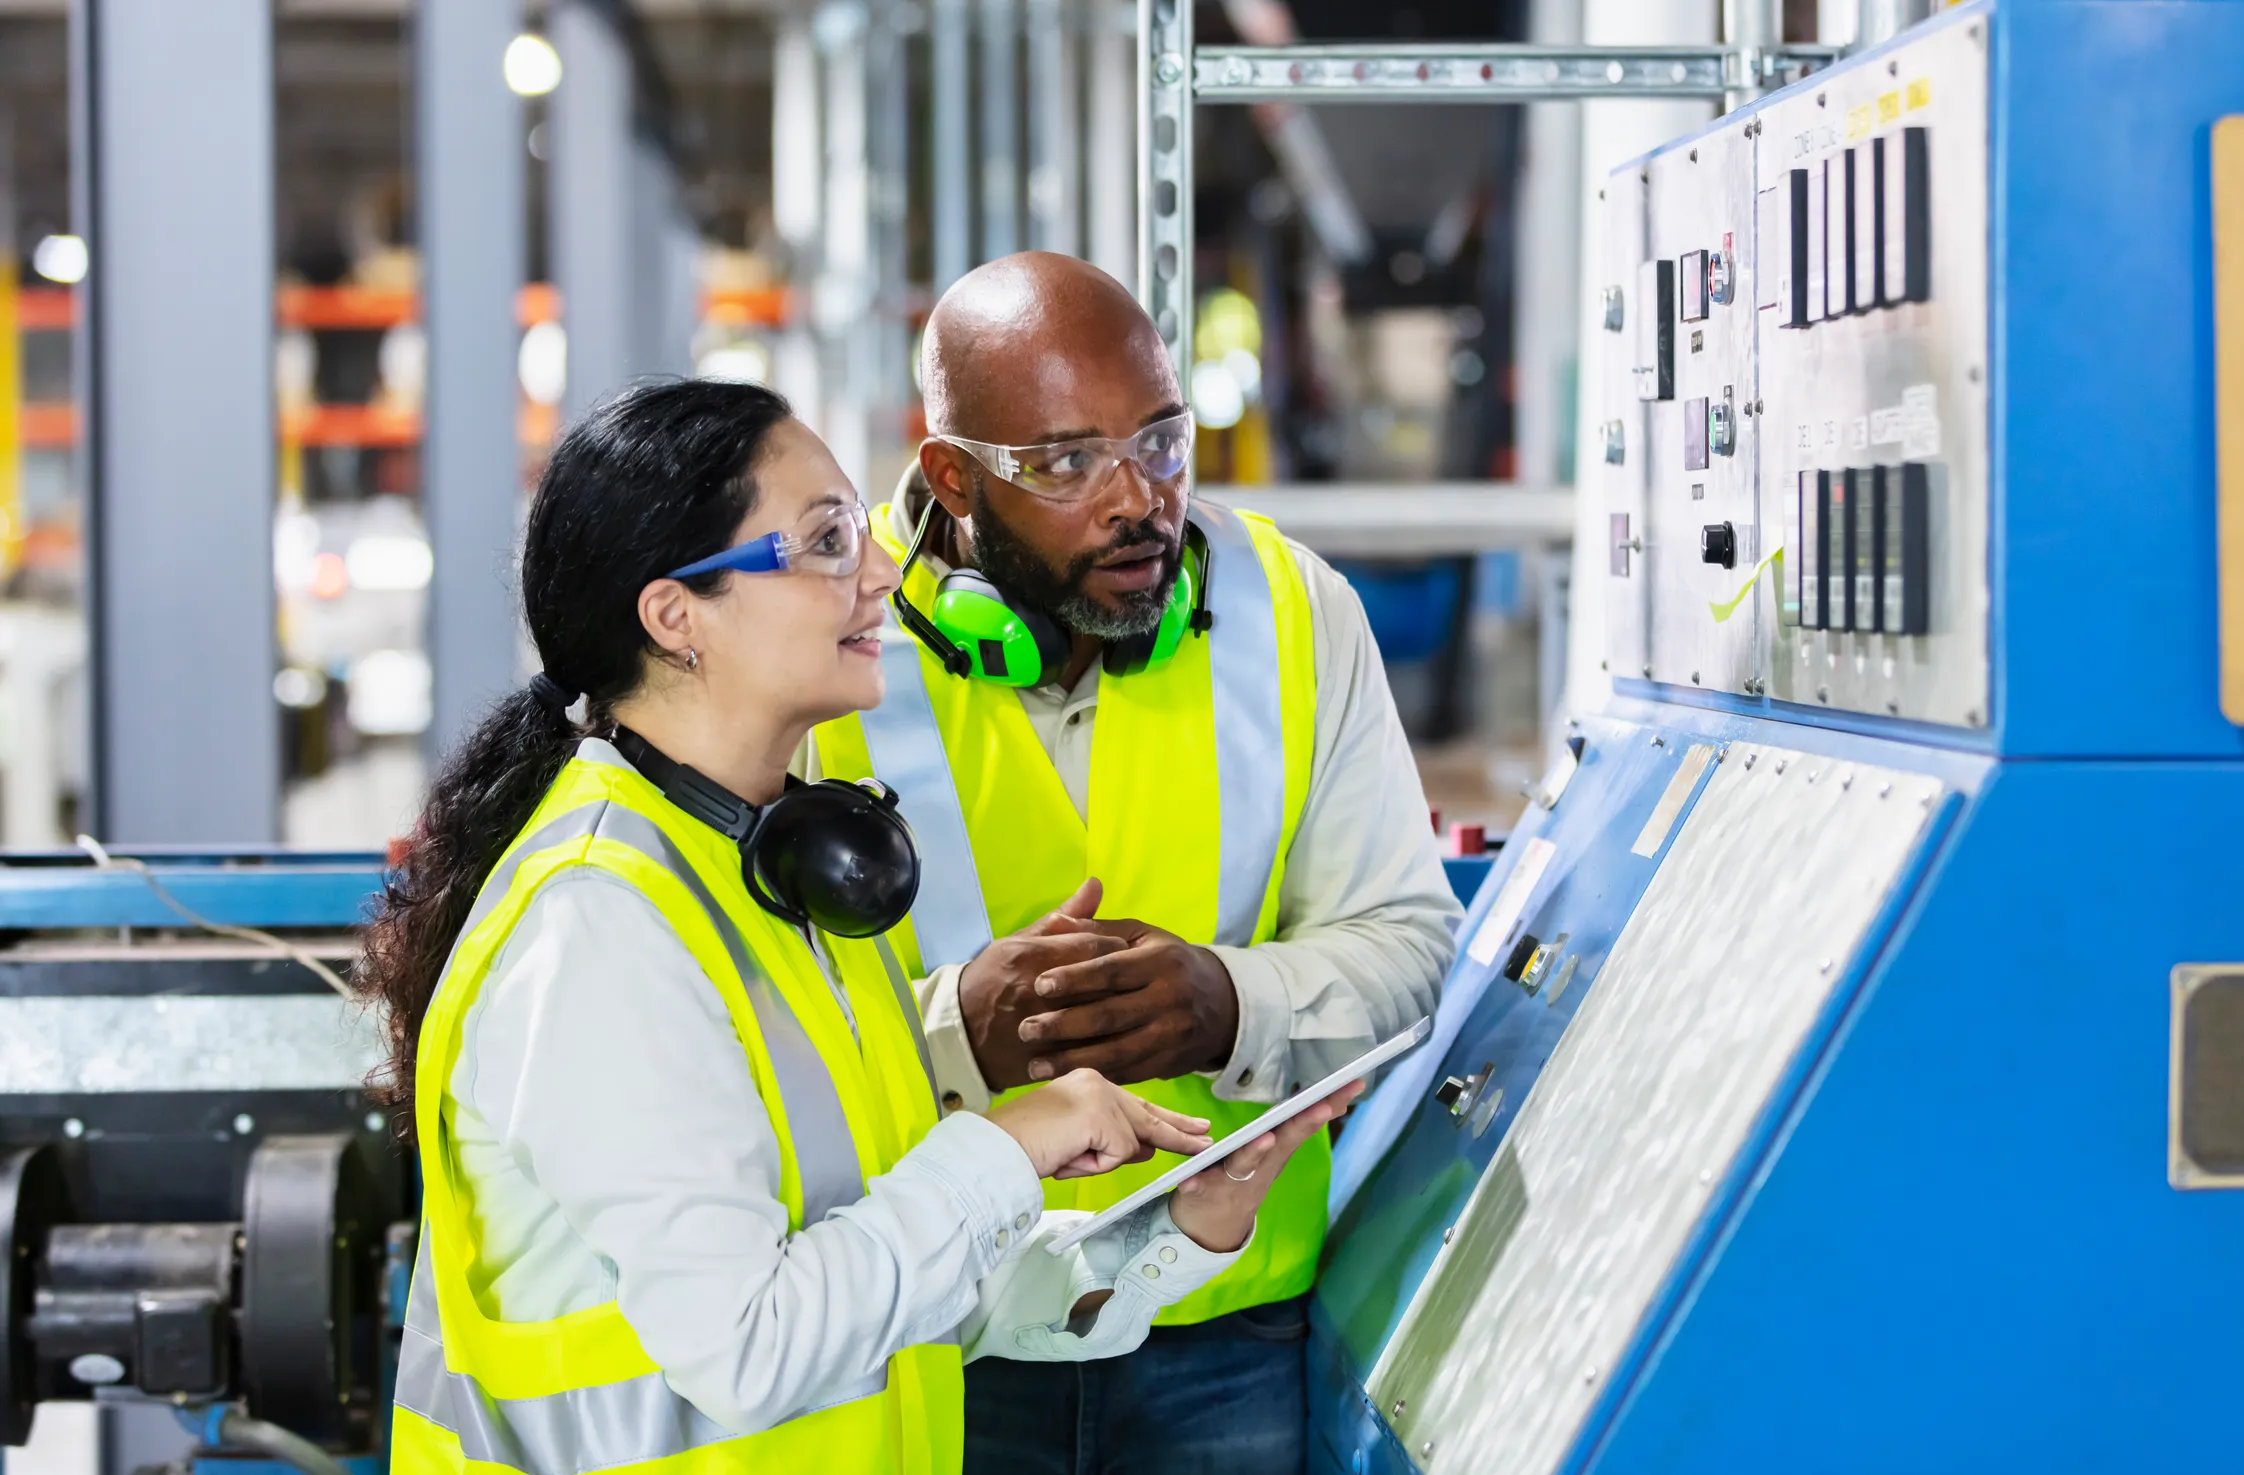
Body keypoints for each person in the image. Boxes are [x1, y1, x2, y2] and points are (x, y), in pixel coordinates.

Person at [358, 379, 1356, 1475]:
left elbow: (900, 1302)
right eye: (827, 540)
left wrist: (1182, 1228)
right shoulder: (600, 926)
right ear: (675, 614)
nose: (881, 568)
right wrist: (1011, 1143)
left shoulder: (782, 880)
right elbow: (752, 1345)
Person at [807, 252, 1463, 1472]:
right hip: (936, 1331)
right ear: (952, 477)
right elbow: (729, 1039)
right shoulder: (820, 646)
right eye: (1064, 462)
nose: (1137, 498)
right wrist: (951, 1037)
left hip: (1220, 1325)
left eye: (1161, 440)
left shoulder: (1293, 613)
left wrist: (1230, 1005)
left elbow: (1411, 950)